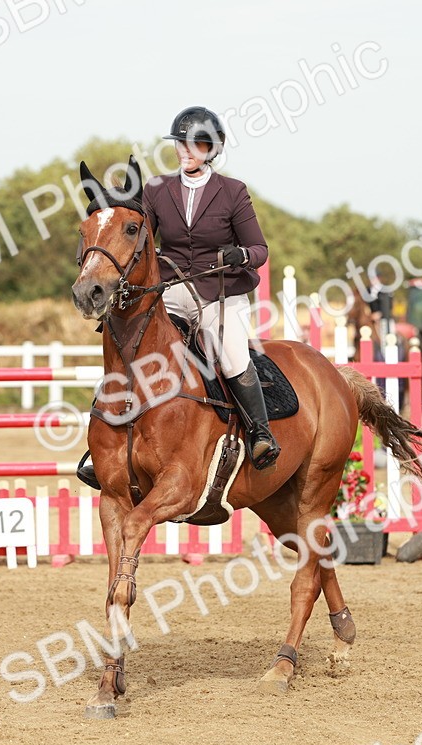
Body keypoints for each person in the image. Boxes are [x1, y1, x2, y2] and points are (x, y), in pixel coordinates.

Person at [77, 106, 278, 489]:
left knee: (232, 354)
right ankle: (106, 445)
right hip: (171, 290)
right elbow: (137, 235)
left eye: (196, 144)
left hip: (220, 290)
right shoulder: (157, 190)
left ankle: (259, 433)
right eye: (181, 144)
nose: (187, 151)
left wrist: (242, 256)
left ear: (211, 149)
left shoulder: (232, 192)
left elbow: (259, 249)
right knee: (132, 347)